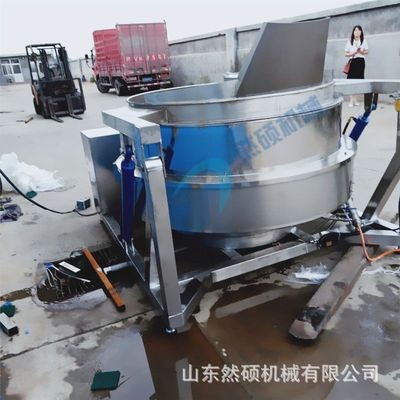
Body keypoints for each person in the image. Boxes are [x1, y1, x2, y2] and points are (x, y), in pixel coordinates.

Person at [344, 25, 368, 107]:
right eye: (355, 30)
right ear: (353, 32)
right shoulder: (350, 41)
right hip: (353, 62)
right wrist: (352, 53)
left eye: (358, 30)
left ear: (361, 32)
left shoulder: (364, 41)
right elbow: (345, 53)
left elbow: (366, 52)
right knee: (351, 81)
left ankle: (355, 100)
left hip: (361, 62)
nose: (357, 32)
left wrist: (361, 52)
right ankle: (351, 100)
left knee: (358, 81)